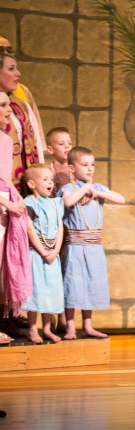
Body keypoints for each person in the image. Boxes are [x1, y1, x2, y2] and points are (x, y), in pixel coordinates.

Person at [58, 146, 125, 339]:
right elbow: (68, 202)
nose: (90, 169)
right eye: (84, 165)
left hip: (94, 247)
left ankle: (88, 325)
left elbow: (121, 199)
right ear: (71, 169)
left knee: (91, 284)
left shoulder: (99, 189)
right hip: (76, 247)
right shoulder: (68, 189)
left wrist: (96, 192)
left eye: (92, 165)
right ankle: (71, 327)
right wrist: (86, 188)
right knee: (73, 284)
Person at [0, 91, 31, 344]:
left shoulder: (6, 140)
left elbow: (7, 179)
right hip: (2, 203)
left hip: (6, 204)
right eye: (2, 105)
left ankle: (5, 318)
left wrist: (17, 200)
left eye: (8, 104)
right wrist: (8, 202)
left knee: (4, 264)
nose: (8, 110)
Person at [21, 164, 64, 344]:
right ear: (32, 183)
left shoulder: (55, 202)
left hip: (53, 254)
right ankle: (33, 329)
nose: (50, 183)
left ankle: (47, 328)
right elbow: (30, 229)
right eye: (45, 179)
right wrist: (43, 251)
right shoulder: (30, 202)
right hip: (36, 255)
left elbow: (60, 227)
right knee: (36, 291)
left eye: (51, 180)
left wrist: (55, 250)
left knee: (51, 291)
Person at [0, 47, 44, 194]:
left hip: (25, 183)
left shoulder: (22, 105)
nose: (18, 73)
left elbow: (36, 141)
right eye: (11, 69)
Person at [0, 37, 46, 156]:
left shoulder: (22, 91)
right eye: (0, 50)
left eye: (8, 50)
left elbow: (36, 132)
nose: (5, 54)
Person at [46, 127, 73, 195]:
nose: (67, 146)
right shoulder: (47, 171)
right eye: (61, 144)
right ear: (50, 149)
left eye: (69, 143)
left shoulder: (76, 168)